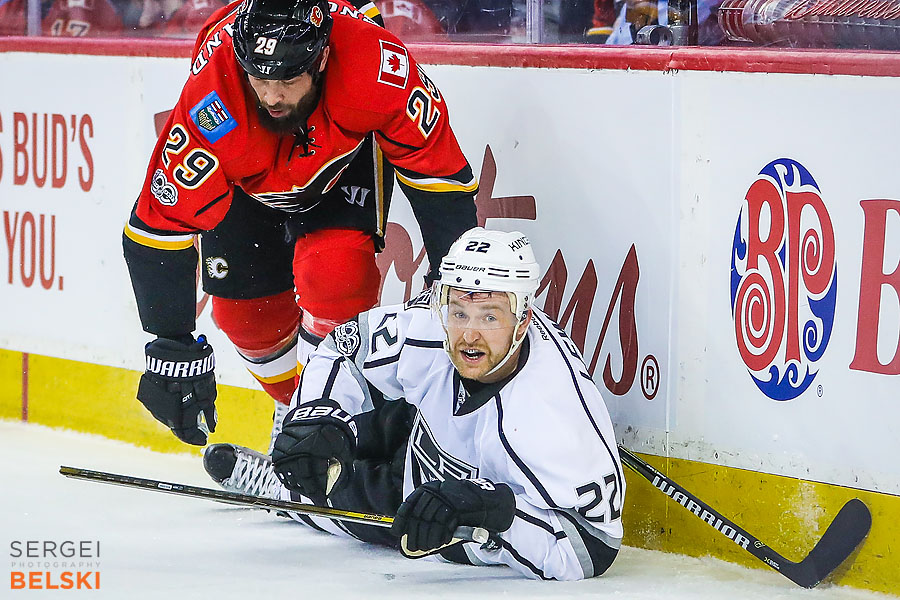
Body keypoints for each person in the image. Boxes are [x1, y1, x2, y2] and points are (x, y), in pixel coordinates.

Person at [123, 0, 478, 451]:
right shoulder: (214, 102)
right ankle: (300, 421)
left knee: (335, 274)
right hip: (244, 174)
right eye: (261, 77)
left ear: (322, 59)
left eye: (288, 79)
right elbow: (157, 225)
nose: (271, 96)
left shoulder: (374, 69)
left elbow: (438, 173)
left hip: (340, 160)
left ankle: (333, 416)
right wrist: (170, 344)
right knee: (244, 319)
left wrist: (452, 278)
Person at [206, 227, 625, 580]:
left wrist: (494, 511)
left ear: (525, 318)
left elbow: (592, 547)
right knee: (347, 431)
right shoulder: (430, 326)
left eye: (491, 317)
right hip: (422, 429)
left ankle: (290, 497)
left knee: (359, 503)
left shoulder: (549, 418)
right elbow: (344, 347)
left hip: (444, 506)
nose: (470, 335)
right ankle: (303, 470)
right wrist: (318, 416)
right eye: (459, 312)